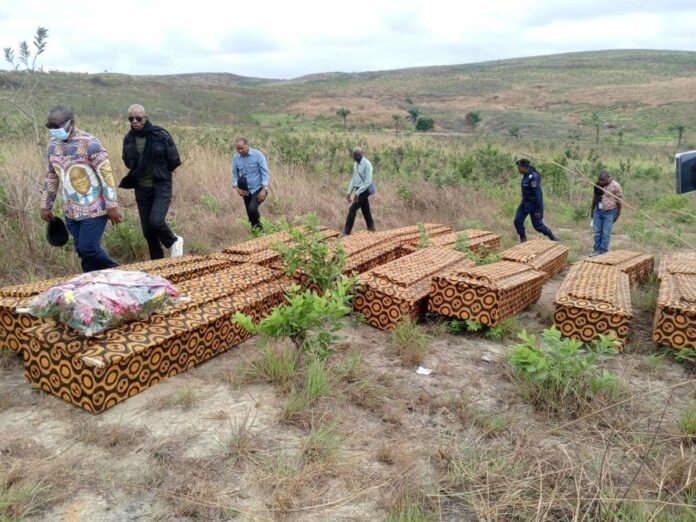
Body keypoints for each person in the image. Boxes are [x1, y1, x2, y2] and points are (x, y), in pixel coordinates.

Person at [40, 105, 123, 272]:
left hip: (95, 209)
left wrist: (112, 205)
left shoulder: (91, 143)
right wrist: (45, 205)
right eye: (50, 126)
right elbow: (52, 176)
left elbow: (106, 175)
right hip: (71, 211)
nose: (53, 130)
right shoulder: (52, 146)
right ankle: (92, 286)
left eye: (57, 126)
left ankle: (119, 272)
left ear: (71, 122)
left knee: (88, 248)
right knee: (82, 251)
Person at [120, 104, 184, 259]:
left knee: (156, 222)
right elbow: (128, 162)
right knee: (148, 231)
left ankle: (174, 240)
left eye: (138, 118)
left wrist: (160, 171)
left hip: (161, 185)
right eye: (131, 118)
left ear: (145, 117)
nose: (134, 121)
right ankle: (157, 264)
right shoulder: (129, 138)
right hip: (141, 188)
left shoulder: (160, 135)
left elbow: (174, 159)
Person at [513, 158, 558, 243]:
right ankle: (523, 238)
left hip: (533, 205)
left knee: (538, 226)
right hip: (525, 203)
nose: (518, 170)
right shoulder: (525, 175)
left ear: (524, 167)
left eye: (519, 168)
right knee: (517, 221)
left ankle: (552, 236)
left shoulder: (533, 177)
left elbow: (538, 195)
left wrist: (538, 210)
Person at [231, 137, 269, 230]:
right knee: (250, 213)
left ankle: (261, 231)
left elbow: (264, 172)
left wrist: (264, 189)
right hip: (245, 190)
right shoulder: (236, 158)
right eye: (238, 149)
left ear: (247, 145)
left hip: (258, 188)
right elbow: (235, 174)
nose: (240, 151)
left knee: (252, 209)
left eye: (242, 148)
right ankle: (256, 233)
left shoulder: (258, 155)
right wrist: (237, 188)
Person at [342, 147, 376, 236]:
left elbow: (368, 181)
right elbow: (354, 179)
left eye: (358, 155)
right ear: (353, 156)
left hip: (364, 190)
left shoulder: (367, 164)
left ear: (362, 154)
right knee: (365, 209)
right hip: (358, 189)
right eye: (355, 155)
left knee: (352, 209)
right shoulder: (356, 164)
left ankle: (346, 231)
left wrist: (357, 193)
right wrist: (349, 192)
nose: (356, 157)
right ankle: (371, 227)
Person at [590, 169, 623, 256]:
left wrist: (618, 213)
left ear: (608, 178)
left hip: (610, 212)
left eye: (603, 180)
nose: (601, 182)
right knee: (597, 232)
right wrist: (592, 210)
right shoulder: (597, 185)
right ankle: (596, 250)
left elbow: (619, 201)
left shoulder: (616, 186)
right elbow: (595, 198)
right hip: (598, 211)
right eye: (599, 180)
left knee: (606, 232)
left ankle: (603, 251)